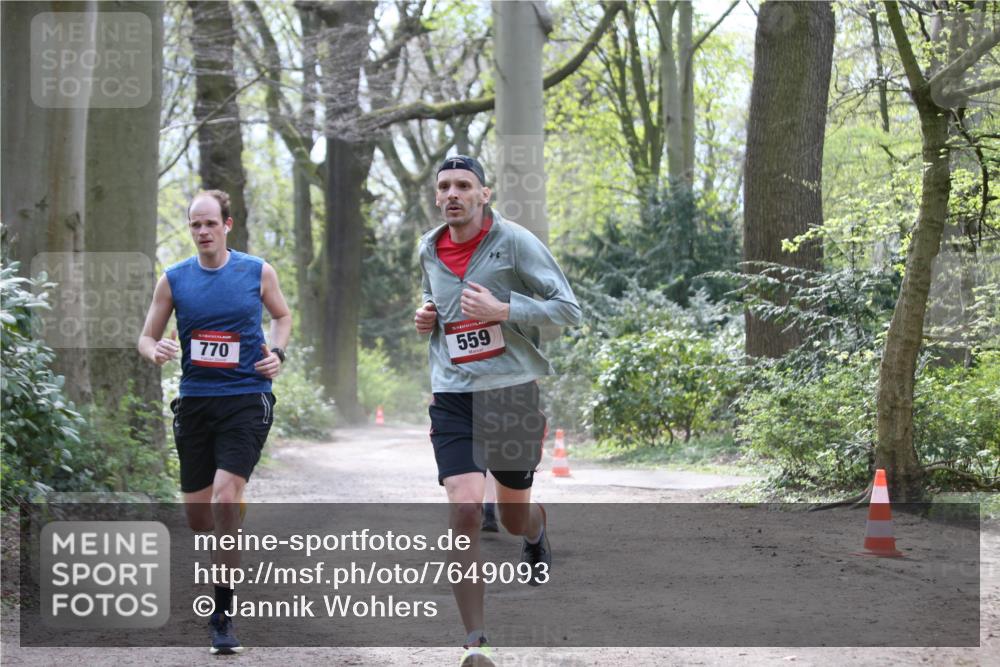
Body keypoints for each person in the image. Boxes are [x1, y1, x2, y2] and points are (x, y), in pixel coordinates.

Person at [414, 155, 581, 666]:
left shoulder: (514, 242)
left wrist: (505, 310)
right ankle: (476, 640)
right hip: (453, 395)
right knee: (465, 508)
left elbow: (568, 309)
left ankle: (534, 529)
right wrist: (426, 316)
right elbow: (434, 299)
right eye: (444, 186)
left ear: (485, 194)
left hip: (511, 392)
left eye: (464, 185)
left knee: (510, 517)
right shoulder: (428, 247)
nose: (453, 194)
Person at [138, 190, 291, 654]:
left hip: (247, 398)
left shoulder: (257, 271)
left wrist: (277, 354)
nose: (203, 232)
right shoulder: (174, 280)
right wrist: (157, 350)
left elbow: (282, 317)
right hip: (196, 402)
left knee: (225, 498)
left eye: (210, 223)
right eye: (195, 225)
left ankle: (222, 617)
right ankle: (231, 512)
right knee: (199, 516)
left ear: (227, 225)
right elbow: (146, 336)